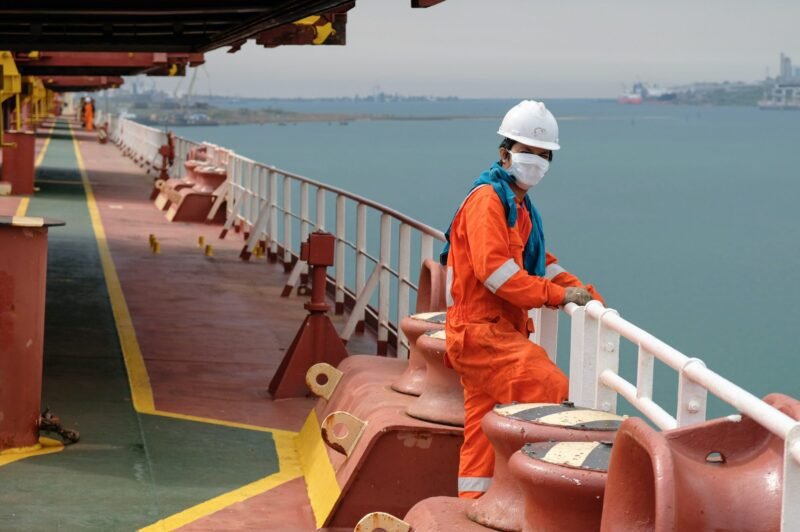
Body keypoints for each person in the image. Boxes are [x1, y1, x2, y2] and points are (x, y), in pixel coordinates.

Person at [440, 100, 603, 499]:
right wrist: (558, 296)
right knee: (552, 390)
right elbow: (498, 276)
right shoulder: (488, 202)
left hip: (494, 333)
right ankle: (550, 503)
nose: (536, 161)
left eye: (544, 155)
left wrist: (585, 293)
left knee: (483, 425)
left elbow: (540, 264)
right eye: (528, 151)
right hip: (482, 333)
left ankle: (473, 505)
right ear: (505, 153)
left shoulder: (518, 207)